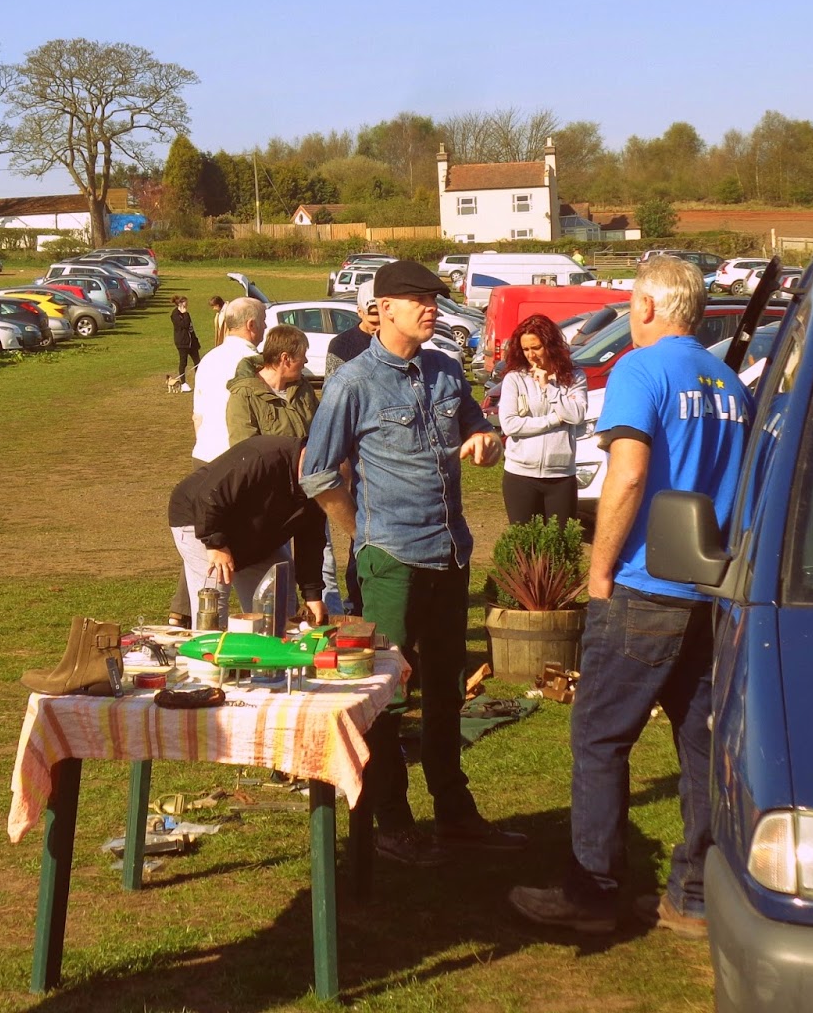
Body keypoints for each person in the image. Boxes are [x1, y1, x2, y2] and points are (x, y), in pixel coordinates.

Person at [509, 256, 752, 937]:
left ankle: (592, 893)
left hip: (646, 586)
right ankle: (695, 895)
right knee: (700, 744)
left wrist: (600, 569)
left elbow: (628, 474)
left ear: (645, 306)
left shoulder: (640, 370)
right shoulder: (731, 384)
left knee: (599, 735)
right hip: (711, 590)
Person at [301, 259, 524, 866]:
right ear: (385, 309)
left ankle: (455, 814)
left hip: (450, 554)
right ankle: (391, 823)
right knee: (386, 695)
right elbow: (316, 473)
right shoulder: (353, 382)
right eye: (419, 299)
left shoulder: (446, 369)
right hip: (390, 560)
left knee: (447, 690)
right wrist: (363, 535)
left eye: (434, 298)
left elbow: (478, 423)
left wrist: (486, 439)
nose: (431, 308)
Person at [169, 435, 327, 631]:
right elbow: (209, 496)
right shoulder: (261, 457)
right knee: (213, 598)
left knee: (278, 587)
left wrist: (312, 595)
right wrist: (215, 544)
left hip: (249, 533)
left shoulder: (320, 486)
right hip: (200, 520)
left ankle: (270, 647)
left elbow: (311, 540)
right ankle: (209, 647)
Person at [497, 314, 590, 526]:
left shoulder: (574, 377)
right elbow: (510, 425)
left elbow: (577, 415)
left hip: (561, 475)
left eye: (536, 348)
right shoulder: (515, 379)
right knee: (524, 541)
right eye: (525, 349)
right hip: (520, 474)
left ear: (551, 345)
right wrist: (554, 420)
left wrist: (548, 387)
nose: (531, 355)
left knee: (560, 541)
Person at [192, 296, 266, 463]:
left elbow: (197, 417)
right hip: (238, 459)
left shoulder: (208, 359)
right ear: (251, 325)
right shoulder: (254, 363)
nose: (266, 326)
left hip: (204, 456)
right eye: (263, 320)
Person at [227, 323, 318, 445]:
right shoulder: (244, 396)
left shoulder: (303, 387)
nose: (305, 361)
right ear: (285, 358)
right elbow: (246, 450)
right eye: (302, 355)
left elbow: (322, 426)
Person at [326, 280, 380, 377]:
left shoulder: (398, 342)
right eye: (373, 323)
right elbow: (333, 384)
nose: (379, 328)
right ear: (360, 312)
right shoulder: (341, 345)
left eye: (385, 323)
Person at [170, 296, 201, 391]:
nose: (187, 305)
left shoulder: (186, 313)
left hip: (192, 342)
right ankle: (183, 383)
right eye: (185, 303)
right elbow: (184, 325)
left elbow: (191, 328)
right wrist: (185, 314)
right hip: (182, 342)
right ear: (180, 304)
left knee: (197, 362)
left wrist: (195, 340)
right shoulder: (175, 315)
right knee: (183, 362)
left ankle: (200, 382)